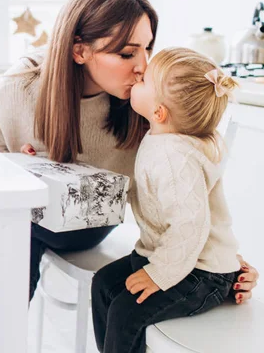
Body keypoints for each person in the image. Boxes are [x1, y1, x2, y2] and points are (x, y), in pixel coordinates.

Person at [0, 0, 259, 353]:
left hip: (86, 226)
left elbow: (191, 197)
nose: (143, 67)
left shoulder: (149, 105)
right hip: (18, 218)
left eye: (148, 48)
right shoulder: (23, 86)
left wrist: (226, 264)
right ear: (79, 50)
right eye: (127, 53)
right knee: (14, 239)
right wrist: (17, 168)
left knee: (15, 236)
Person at [91, 47, 244, 353]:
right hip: (170, 255)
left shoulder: (176, 159)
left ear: (159, 111)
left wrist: (157, 274)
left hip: (203, 272)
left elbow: (190, 228)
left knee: (125, 311)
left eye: (144, 80)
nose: (137, 77)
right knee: (103, 284)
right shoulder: (162, 135)